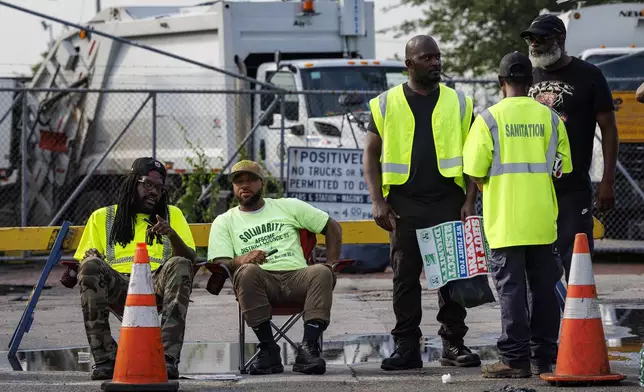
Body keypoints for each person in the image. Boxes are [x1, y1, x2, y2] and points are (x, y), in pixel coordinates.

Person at [364, 34, 481, 371]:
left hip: (448, 201)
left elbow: (473, 157)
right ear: (409, 64)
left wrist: (469, 201)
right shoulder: (385, 103)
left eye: (438, 57)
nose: (436, 63)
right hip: (404, 204)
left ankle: (453, 344)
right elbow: (370, 154)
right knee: (404, 278)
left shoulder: (459, 102)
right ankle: (406, 347)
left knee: (452, 277)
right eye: (428, 58)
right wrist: (377, 201)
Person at [463, 51, 572, 378]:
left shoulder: (488, 120)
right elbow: (561, 168)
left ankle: (515, 360)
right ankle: (544, 358)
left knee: (511, 292)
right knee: (543, 291)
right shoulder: (551, 118)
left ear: (501, 83)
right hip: (541, 221)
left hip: (505, 222)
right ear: (531, 83)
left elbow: (474, 169)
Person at [207, 160, 343, 375]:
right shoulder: (225, 221)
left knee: (321, 271)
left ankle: (308, 349)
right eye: (238, 182)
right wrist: (243, 259)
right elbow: (220, 263)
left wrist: (331, 263)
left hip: (297, 277)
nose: (244, 185)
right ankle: (269, 349)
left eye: (250, 180)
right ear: (233, 187)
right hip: (260, 283)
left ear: (261, 183)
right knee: (247, 271)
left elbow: (332, 226)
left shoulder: (288, 206)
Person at [73, 157, 197, 381]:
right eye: (148, 184)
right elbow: (86, 259)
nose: (154, 192)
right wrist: (91, 258)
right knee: (90, 265)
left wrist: (171, 234)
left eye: (159, 188)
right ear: (132, 183)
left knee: (180, 263)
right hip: (118, 287)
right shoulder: (102, 217)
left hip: (156, 287)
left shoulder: (172, 215)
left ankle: (167, 359)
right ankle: (105, 360)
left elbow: (191, 259)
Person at [521, 14, 619, 282]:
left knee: (576, 259)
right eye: (531, 39)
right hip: (534, 187)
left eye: (540, 38)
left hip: (572, 187)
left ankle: (580, 319)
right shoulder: (527, 76)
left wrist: (608, 180)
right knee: (538, 263)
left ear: (560, 39)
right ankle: (546, 322)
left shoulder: (589, 75)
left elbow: (609, 128)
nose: (534, 44)